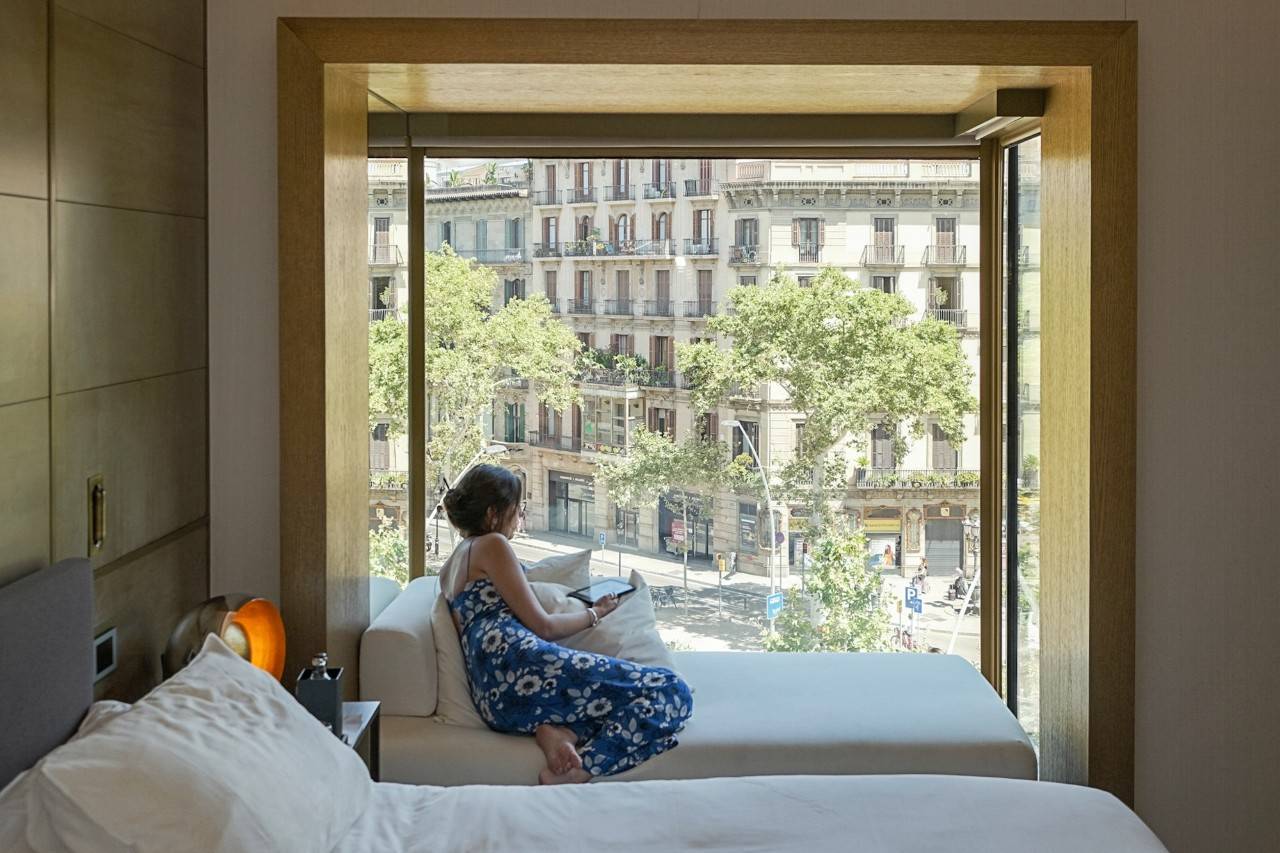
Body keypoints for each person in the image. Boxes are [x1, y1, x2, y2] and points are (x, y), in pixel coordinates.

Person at [439, 464, 693, 785]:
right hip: (522, 669)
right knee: (671, 690)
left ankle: (560, 733)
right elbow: (543, 626)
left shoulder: (452, 565)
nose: (520, 517)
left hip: (495, 700)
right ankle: (581, 768)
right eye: (517, 510)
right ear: (493, 514)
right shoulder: (492, 545)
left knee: (618, 697)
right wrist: (596, 613)